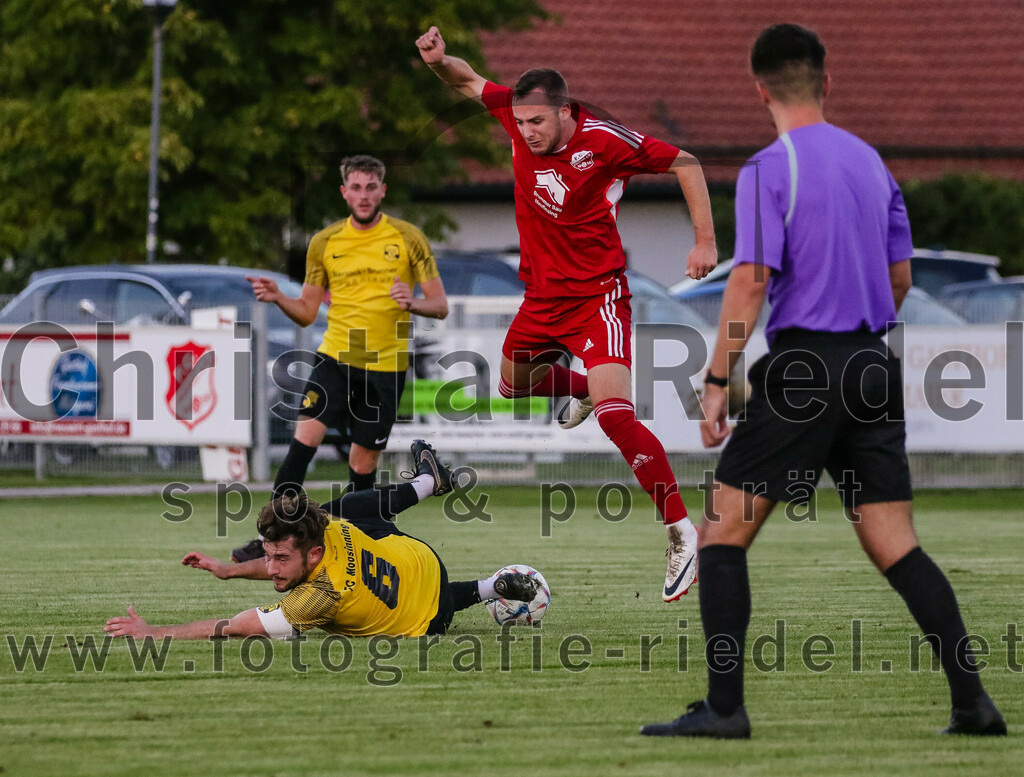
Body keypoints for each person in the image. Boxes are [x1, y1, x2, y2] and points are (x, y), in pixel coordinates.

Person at [641, 23, 1006, 738]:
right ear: (826, 83)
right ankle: (974, 703)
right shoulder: (873, 165)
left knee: (720, 535)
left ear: (760, 90)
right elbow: (900, 279)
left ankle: (723, 709)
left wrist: (719, 377)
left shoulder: (767, 169)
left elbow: (749, 280)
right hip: (874, 362)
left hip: (806, 368)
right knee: (894, 541)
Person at [416, 26, 717, 601]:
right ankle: (580, 387)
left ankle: (681, 530)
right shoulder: (514, 113)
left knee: (615, 415)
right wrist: (437, 62)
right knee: (509, 384)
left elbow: (687, 162)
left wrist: (703, 241)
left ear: (563, 111)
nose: (525, 132)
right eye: (520, 123)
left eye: (537, 123)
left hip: (598, 294)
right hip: (542, 297)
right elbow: (467, 80)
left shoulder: (605, 142)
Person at [232, 155, 449, 563]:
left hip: (384, 367)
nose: (363, 195)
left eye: (371, 187)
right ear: (344, 192)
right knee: (302, 444)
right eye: (356, 187)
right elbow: (308, 312)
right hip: (334, 359)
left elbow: (440, 305)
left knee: (360, 466)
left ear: (382, 190)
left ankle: (355, 544)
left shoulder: (408, 238)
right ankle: (272, 542)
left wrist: (413, 303)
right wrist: (280, 298)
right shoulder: (325, 242)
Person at [105, 442, 540, 640]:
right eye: (267, 555)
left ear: (313, 553)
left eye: (278, 557)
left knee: (428, 605)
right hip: (417, 556)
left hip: (431, 618)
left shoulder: (316, 598)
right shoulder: (323, 530)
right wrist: (230, 569)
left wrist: (153, 632)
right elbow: (287, 560)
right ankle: (434, 491)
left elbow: (236, 628)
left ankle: (482, 586)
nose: (270, 566)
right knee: (349, 507)